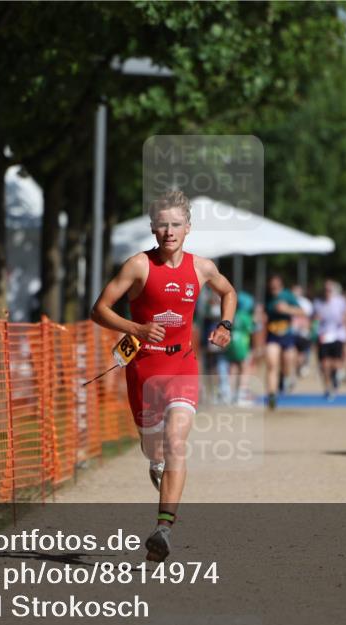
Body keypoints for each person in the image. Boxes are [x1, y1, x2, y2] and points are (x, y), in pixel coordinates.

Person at [91, 190, 236, 562]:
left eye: (176, 224)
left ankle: (163, 528)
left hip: (182, 365)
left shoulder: (201, 267)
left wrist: (225, 324)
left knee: (175, 440)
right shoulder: (138, 266)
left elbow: (228, 291)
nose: (169, 231)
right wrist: (135, 328)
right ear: (153, 229)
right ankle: (156, 464)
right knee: (152, 448)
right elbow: (100, 310)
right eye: (162, 224)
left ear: (188, 228)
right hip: (143, 369)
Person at [264, 275, 303, 409]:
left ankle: (283, 377)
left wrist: (287, 309)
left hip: (287, 335)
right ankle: (272, 396)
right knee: (271, 364)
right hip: (272, 335)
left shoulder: (288, 295)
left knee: (287, 364)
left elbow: (302, 312)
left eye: (275, 285)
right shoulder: (266, 296)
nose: (273, 287)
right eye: (271, 285)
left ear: (280, 285)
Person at [314, 280, 346, 400]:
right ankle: (328, 388)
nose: (327, 292)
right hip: (324, 336)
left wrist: (345, 318)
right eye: (325, 290)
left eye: (329, 290)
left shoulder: (340, 301)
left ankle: (335, 377)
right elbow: (313, 317)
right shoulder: (318, 302)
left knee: (336, 363)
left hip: (338, 336)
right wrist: (315, 319)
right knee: (324, 364)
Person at [224, 291, 257, 405]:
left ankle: (229, 394)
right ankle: (242, 395)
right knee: (245, 368)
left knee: (233, 367)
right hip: (242, 344)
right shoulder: (246, 316)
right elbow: (252, 330)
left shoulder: (234, 314)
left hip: (232, 342)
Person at [291, 285, 315, 380]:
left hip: (302, 333)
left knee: (301, 354)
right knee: (292, 354)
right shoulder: (288, 301)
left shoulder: (305, 303)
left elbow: (309, 317)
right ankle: (291, 374)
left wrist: (308, 328)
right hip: (291, 332)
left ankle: (301, 366)